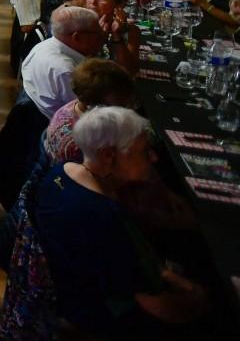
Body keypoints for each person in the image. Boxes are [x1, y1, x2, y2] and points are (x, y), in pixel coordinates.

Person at [31, 108, 210, 338]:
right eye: (145, 152)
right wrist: (199, 298)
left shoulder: (60, 171)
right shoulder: (105, 217)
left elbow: (132, 266)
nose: (154, 158)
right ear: (108, 155)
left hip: (73, 291)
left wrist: (168, 276)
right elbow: (163, 309)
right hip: (102, 317)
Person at [43, 59, 136, 165]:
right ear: (95, 107)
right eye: (120, 106)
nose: (125, 111)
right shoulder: (84, 143)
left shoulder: (73, 106)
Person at [20, 6, 106, 118]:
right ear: (77, 37)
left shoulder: (43, 46)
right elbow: (88, 114)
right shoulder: (66, 71)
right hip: (50, 126)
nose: (103, 37)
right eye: (98, 33)